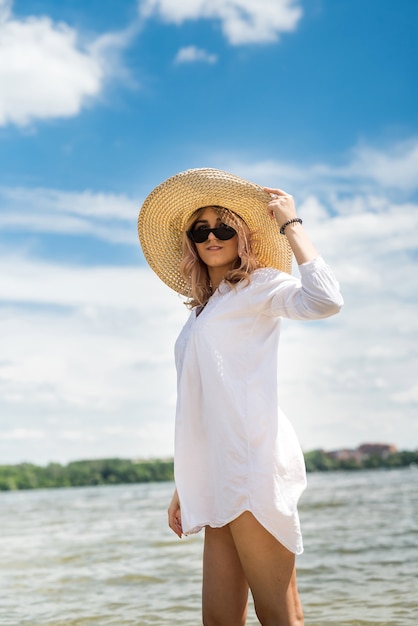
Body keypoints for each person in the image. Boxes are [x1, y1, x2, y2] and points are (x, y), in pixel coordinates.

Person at [138, 168, 343, 626]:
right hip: (216, 473)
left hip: (252, 468)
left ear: (242, 235)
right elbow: (201, 406)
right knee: (219, 620)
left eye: (224, 226)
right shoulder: (203, 310)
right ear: (191, 240)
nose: (213, 236)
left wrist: (292, 226)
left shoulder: (258, 286)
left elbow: (326, 301)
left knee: (279, 617)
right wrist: (183, 483)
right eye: (201, 229)